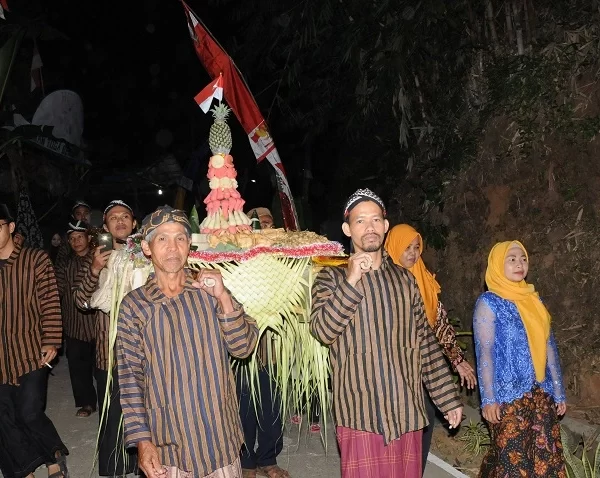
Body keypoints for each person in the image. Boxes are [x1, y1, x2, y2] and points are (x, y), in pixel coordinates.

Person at [310, 189, 463, 477]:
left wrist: (447, 397)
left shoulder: (405, 280)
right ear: (347, 229)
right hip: (360, 414)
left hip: (406, 410)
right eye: (360, 221)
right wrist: (352, 281)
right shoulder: (331, 277)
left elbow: (426, 343)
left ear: (385, 225)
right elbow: (323, 330)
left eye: (376, 219)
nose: (370, 227)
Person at [116, 206, 259, 478]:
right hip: (169, 442)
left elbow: (243, 347)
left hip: (219, 437)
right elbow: (129, 378)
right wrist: (143, 441)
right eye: (162, 239)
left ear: (189, 245)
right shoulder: (135, 306)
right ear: (147, 248)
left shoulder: (208, 292)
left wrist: (223, 298)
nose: (173, 247)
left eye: (180, 238)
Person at [384, 223, 477, 473]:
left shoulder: (424, 280)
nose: (413, 253)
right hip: (391, 369)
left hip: (423, 366)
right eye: (407, 247)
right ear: (393, 247)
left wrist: (457, 360)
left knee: (423, 422)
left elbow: (441, 325)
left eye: (417, 248)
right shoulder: (380, 279)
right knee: (394, 429)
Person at [473, 241, 566, 477]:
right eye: (511, 259)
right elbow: (484, 353)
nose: (519, 264)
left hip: (540, 395)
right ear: (497, 264)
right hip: (507, 397)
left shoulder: (535, 300)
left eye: (523, 258)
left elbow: (549, 346)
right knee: (510, 463)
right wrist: (488, 398)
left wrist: (558, 390)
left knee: (546, 461)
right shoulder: (489, 303)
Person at [0, 204, 69, 478]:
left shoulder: (35, 259)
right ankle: (24, 468)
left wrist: (51, 339)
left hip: (29, 349)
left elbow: (50, 300)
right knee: (4, 416)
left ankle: (54, 455)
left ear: (11, 227)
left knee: (29, 412)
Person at [74, 199, 138, 476]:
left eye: (125, 216)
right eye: (114, 218)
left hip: (143, 350)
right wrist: (95, 269)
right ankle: (114, 469)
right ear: (106, 226)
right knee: (111, 414)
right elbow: (80, 300)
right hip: (108, 351)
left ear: (134, 224)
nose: (120, 221)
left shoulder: (147, 254)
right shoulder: (95, 257)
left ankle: (143, 467)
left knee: (143, 413)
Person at [238, 207, 289, 478]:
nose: (262, 228)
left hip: (273, 348)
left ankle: (268, 458)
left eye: (267, 223)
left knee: (272, 408)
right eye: (256, 224)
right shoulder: (234, 256)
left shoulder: (285, 259)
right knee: (244, 407)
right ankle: (246, 462)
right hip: (242, 349)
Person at [56, 220, 97, 418]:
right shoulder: (66, 263)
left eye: (80, 236)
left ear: (89, 238)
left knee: (102, 367)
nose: (76, 241)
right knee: (78, 368)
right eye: (72, 238)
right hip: (73, 323)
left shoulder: (99, 258)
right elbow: (58, 289)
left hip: (96, 323)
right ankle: (86, 403)